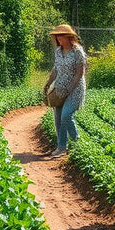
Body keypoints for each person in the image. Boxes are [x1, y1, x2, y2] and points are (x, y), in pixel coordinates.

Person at [43, 24, 86, 156]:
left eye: (60, 36)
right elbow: (55, 70)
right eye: (56, 37)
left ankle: (76, 142)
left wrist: (70, 89)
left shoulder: (77, 51)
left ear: (68, 37)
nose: (58, 39)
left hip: (75, 89)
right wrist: (48, 83)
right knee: (58, 119)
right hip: (60, 89)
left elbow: (80, 72)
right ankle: (61, 147)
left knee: (66, 115)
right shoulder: (58, 52)